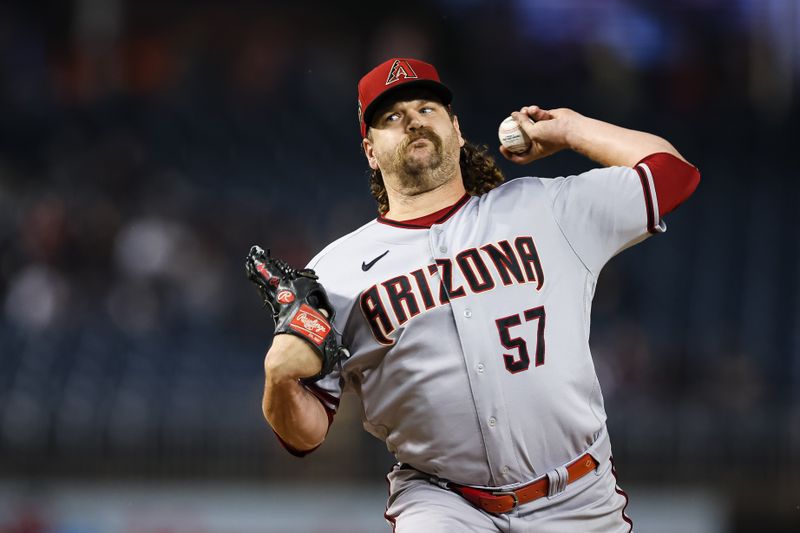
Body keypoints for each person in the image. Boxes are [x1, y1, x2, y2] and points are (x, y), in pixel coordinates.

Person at [259, 57, 700, 531]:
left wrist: (570, 129)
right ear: (370, 150)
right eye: (392, 117)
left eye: (427, 109)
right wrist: (278, 380)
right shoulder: (335, 273)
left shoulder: (541, 207)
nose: (412, 121)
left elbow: (672, 174)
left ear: (456, 128)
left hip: (578, 499)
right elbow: (305, 435)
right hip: (443, 503)